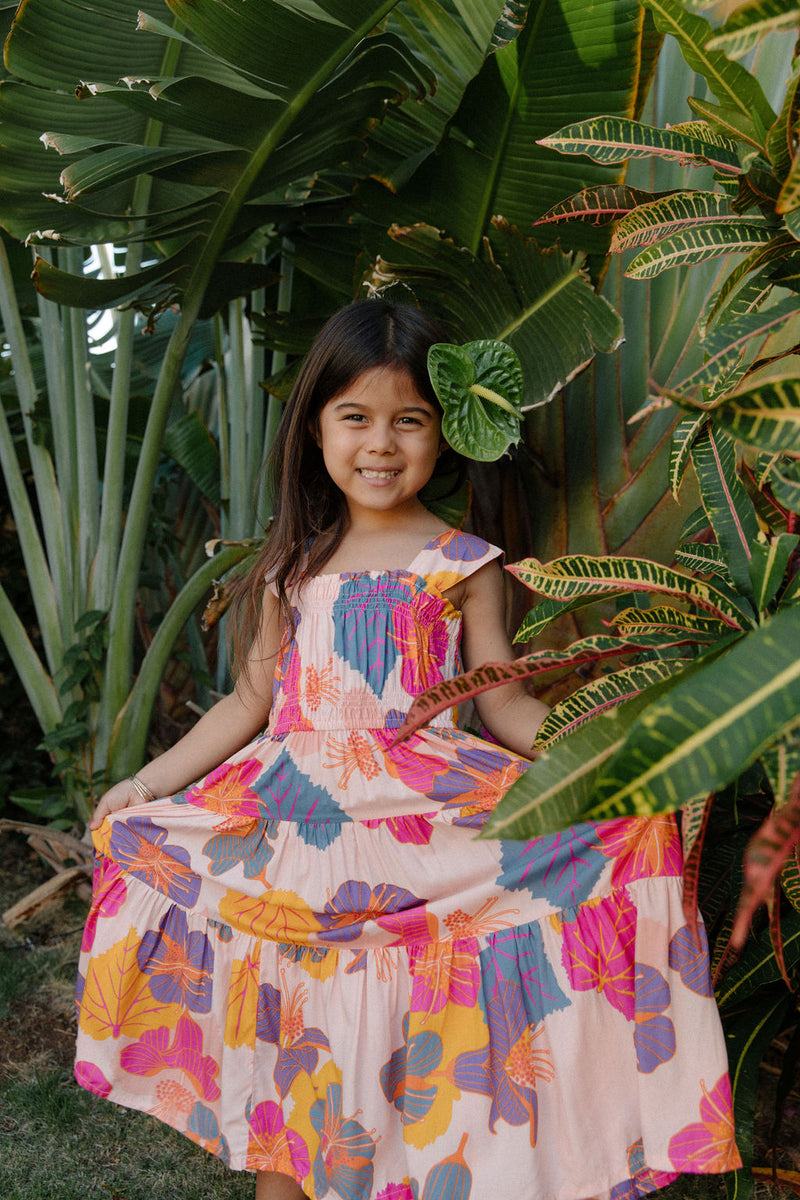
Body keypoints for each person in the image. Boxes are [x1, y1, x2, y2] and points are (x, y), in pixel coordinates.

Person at [76, 299, 739, 1200]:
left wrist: (607, 762)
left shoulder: (463, 562)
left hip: (422, 826)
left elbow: (502, 701)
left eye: (409, 420)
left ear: (442, 436)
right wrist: (144, 783)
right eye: (356, 417)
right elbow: (248, 703)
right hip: (295, 830)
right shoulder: (290, 569)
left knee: (398, 1039)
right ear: (315, 429)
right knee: (298, 1056)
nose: (380, 443)